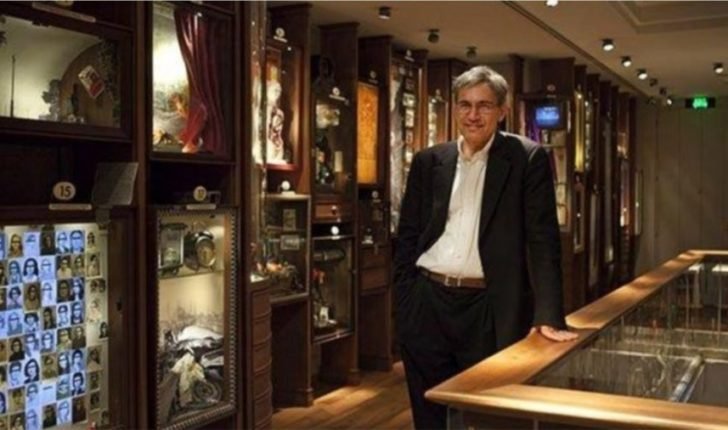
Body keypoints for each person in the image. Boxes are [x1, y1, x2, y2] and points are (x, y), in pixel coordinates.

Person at [393, 65, 578, 429]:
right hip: (427, 302)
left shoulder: (526, 158)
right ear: (455, 109)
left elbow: (543, 240)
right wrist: (405, 301)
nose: (473, 115)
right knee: (429, 414)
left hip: (487, 307)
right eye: (465, 104)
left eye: (484, 105)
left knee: (489, 414)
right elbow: (408, 235)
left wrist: (548, 314)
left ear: (502, 111)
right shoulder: (429, 161)